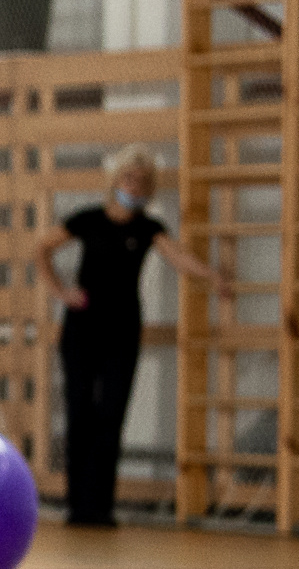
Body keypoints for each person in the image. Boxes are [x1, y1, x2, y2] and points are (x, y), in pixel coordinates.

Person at [31, 148, 229, 528]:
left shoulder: (147, 228)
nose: (133, 186)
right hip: (82, 330)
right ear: (116, 181)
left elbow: (179, 258)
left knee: (111, 416)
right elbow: (42, 247)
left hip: (122, 331)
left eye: (141, 182)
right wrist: (61, 291)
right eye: (129, 179)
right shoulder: (87, 220)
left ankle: (101, 506)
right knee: (80, 414)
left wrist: (211, 276)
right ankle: (79, 507)